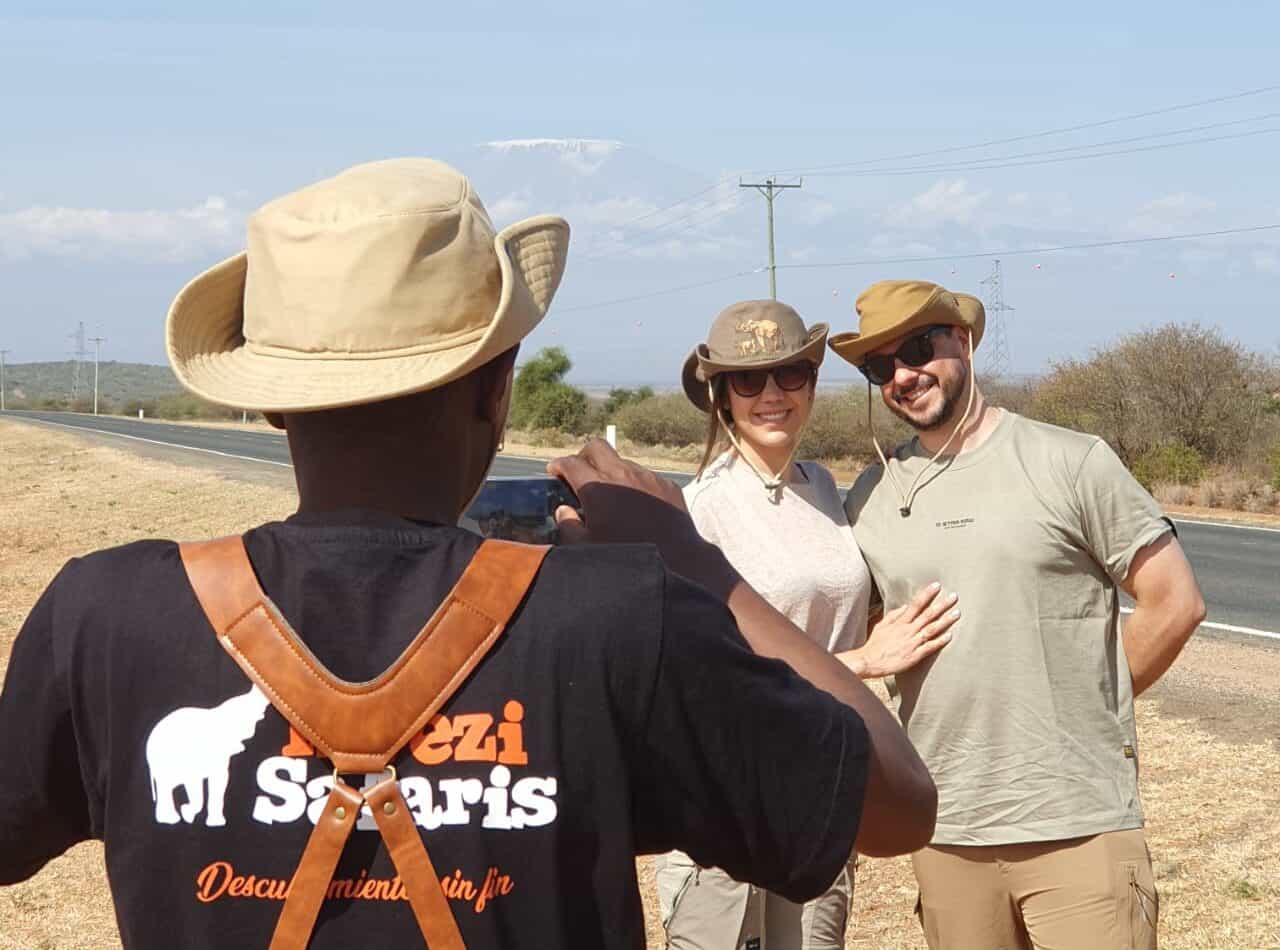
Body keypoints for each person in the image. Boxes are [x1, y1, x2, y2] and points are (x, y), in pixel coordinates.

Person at [0, 159, 937, 949]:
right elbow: (898, 805)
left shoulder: (105, 614)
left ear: (273, 400)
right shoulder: (619, 618)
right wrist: (700, 567)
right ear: (498, 390)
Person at [829, 279, 1207, 950]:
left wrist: (1087, 709)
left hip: (1077, 821)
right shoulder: (871, 496)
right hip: (944, 829)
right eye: (881, 367)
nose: (904, 376)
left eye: (919, 348)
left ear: (964, 342)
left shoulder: (1070, 460)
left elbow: (1174, 602)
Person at [657, 300, 960, 950]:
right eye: (748, 379)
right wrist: (862, 663)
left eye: (790, 374)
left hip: (822, 791)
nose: (771, 394)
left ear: (813, 385)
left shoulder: (825, 489)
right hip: (726, 804)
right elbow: (705, 673)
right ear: (721, 397)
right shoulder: (699, 512)